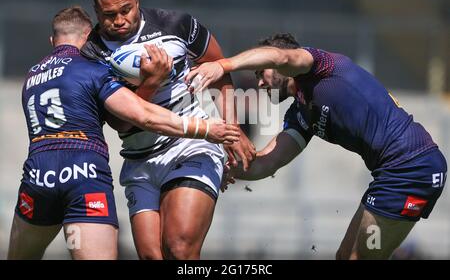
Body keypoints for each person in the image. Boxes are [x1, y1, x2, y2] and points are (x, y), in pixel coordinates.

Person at [186, 33, 448, 259]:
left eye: (261, 73)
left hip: (412, 167)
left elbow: (282, 58)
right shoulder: (300, 114)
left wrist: (222, 66)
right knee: (344, 257)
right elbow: (268, 162)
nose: (260, 83)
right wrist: (219, 167)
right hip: (392, 173)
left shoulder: (320, 65)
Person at [8, 6, 239, 260]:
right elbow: (142, 115)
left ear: (53, 41)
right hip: (83, 173)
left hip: (38, 176)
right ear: (88, 38)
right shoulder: (93, 69)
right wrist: (205, 128)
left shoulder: (31, 77)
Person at [80, 0, 255, 260]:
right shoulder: (92, 54)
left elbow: (218, 68)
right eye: (109, 15)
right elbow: (120, 122)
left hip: (191, 146)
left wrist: (232, 129)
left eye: (126, 10)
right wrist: (150, 83)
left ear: (137, 2)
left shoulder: (176, 25)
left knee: (180, 249)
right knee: (153, 256)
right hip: (140, 160)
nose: (119, 20)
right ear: (97, 14)